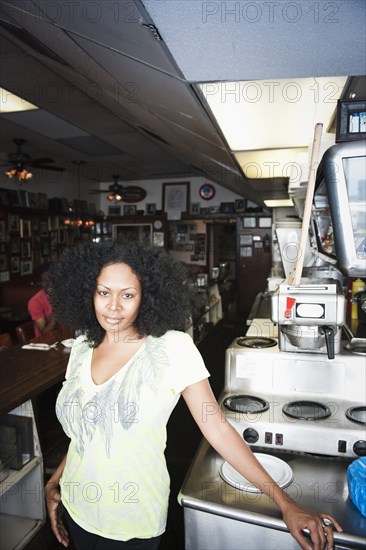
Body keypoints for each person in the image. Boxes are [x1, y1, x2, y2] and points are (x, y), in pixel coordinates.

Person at [44, 241, 342, 550]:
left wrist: (285, 502)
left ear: (147, 298)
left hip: (130, 518)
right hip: (76, 505)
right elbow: (85, 429)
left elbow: (217, 428)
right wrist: (56, 480)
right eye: (103, 292)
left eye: (128, 295)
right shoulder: (81, 348)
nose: (113, 306)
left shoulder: (171, 348)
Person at [28, 264, 57, 338]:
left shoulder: (61, 294)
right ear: (41, 283)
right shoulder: (35, 302)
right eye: (47, 281)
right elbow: (44, 333)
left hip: (65, 340)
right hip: (45, 344)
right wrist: (57, 314)